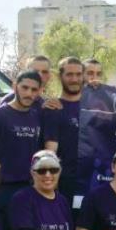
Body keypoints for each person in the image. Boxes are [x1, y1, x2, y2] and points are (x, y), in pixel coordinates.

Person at [0, 70, 46, 212]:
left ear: (39, 91)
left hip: (29, 188)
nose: (29, 93)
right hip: (0, 189)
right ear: (15, 86)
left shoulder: (37, 117)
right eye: (24, 88)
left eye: (34, 90)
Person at [42, 57, 85, 204]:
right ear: (60, 76)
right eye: (69, 74)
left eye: (78, 74)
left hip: (93, 180)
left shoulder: (95, 108)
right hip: (65, 184)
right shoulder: (53, 108)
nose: (75, 79)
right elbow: (50, 151)